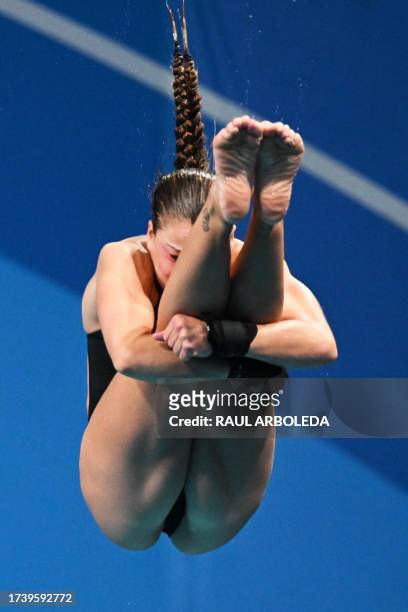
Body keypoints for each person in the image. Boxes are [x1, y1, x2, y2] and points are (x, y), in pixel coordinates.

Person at [79, 3, 338, 555]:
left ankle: (267, 220)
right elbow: (128, 358)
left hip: (214, 502)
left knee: (232, 333)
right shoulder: (122, 258)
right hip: (130, 489)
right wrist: (246, 361)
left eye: (200, 251)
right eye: (175, 253)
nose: (175, 267)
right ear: (149, 232)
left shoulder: (242, 263)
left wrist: (225, 338)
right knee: (200, 342)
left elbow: (323, 344)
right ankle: (223, 213)